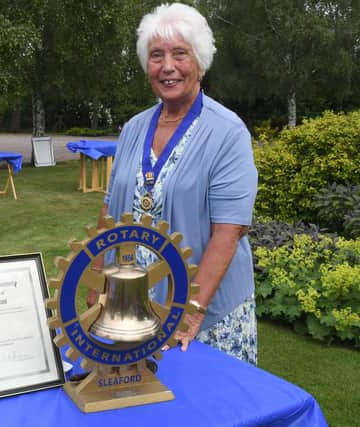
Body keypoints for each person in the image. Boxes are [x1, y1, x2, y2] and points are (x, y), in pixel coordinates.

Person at [89, 3, 258, 364]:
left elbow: (229, 231)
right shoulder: (134, 128)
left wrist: (191, 311)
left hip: (205, 317)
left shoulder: (228, 132)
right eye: (156, 56)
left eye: (179, 53)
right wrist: (98, 283)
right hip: (133, 308)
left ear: (199, 61)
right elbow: (110, 206)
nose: (167, 66)